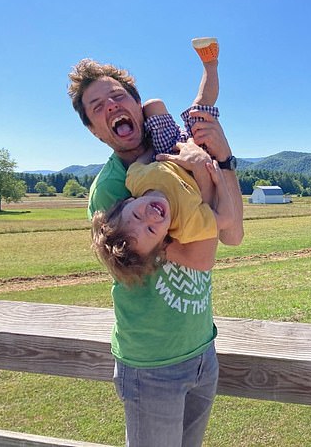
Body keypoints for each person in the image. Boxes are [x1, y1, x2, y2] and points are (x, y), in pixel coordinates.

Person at [67, 37, 243, 447]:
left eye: (117, 97)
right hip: (152, 363)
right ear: (94, 131)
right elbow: (202, 257)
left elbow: (232, 234)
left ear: (136, 104)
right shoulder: (113, 192)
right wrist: (205, 176)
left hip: (202, 347)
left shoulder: (176, 149)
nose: (111, 106)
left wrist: (223, 158)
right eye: (98, 108)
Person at [90, 38, 235, 285]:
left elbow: (144, 161)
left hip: (165, 150)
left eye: (117, 96)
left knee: (154, 104)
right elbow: (228, 225)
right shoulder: (186, 222)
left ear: (129, 202)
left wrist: (153, 151)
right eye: (97, 107)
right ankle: (211, 64)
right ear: (164, 241)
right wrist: (211, 169)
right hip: (195, 161)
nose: (150, 218)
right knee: (201, 108)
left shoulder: (135, 181)